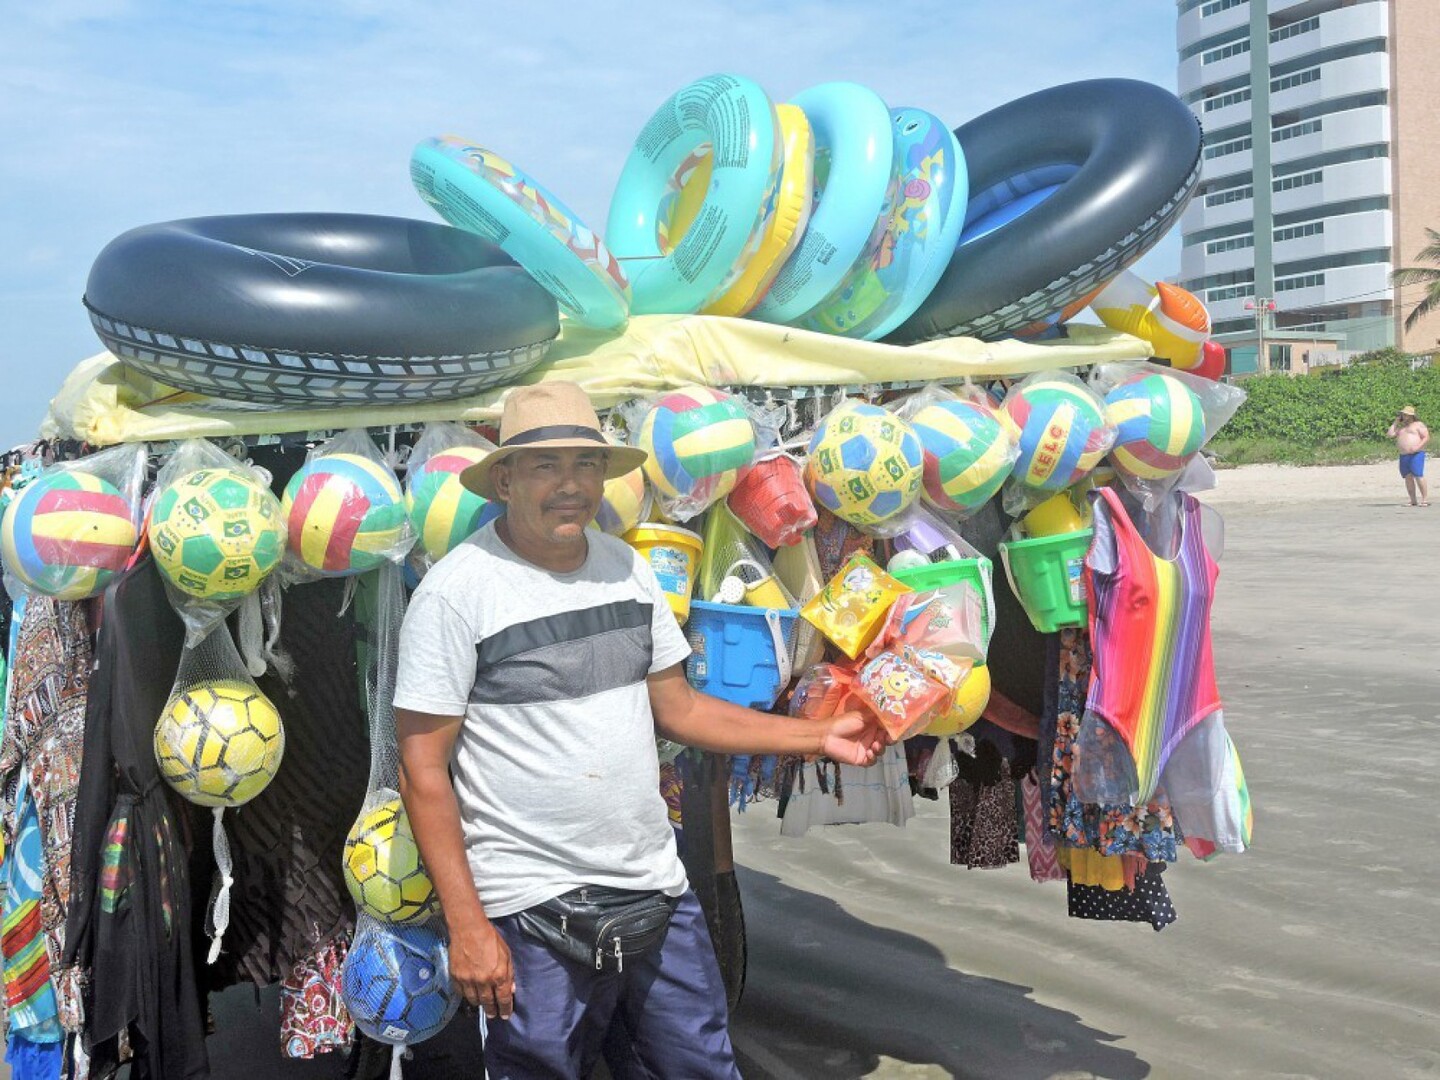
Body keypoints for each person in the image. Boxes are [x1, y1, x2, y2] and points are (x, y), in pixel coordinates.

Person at [392, 382, 888, 1079]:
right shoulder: (455, 593)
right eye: (545, 466)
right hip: (529, 905)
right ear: (503, 478)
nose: (571, 486)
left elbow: (680, 709)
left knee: (700, 1066)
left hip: (654, 884)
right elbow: (422, 771)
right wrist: (469, 927)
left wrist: (818, 735)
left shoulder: (628, 570)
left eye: (586, 466)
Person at [1386, 405, 1430, 507]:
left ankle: (1424, 499)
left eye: (1405, 415)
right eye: (1403, 414)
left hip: (1416, 453)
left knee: (1418, 475)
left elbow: (1426, 437)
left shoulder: (1418, 425)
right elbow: (1390, 434)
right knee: (1408, 477)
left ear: (1411, 416)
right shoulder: (1402, 428)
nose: (1404, 416)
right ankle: (1413, 500)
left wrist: (1417, 447)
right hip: (1404, 455)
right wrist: (1396, 422)